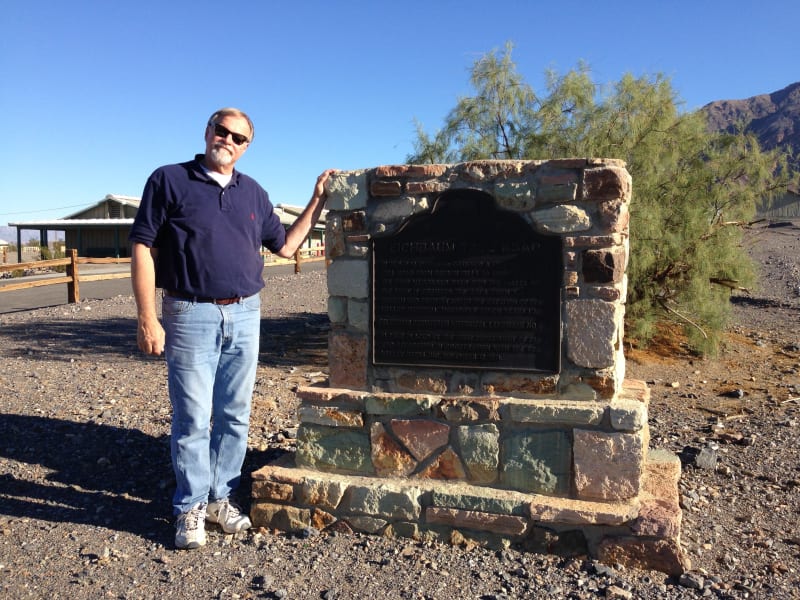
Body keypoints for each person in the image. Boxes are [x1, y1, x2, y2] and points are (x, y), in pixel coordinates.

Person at [129, 107, 334, 549]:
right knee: (192, 417)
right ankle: (190, 508)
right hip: (188, 313)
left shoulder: (253, 193)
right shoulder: (169, 180)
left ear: (246, 147)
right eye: (222, 131)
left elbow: (286, 246)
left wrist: (316, 198)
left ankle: (221, 497)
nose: (228, 140)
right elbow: (142, 247)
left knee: (235, 415)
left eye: (238, 138)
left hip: (245, 313)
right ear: (207, 132)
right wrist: (147, 317)